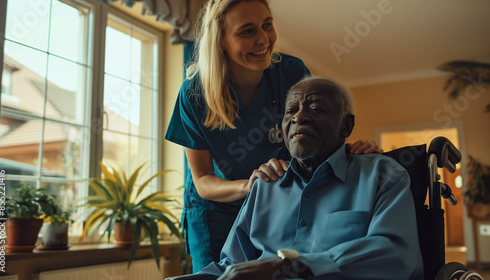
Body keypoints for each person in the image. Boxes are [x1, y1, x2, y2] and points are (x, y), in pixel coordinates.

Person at [164, 0, 382, 272]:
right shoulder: (194, 94)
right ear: (220, 40)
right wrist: (250, 184)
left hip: (274, 199)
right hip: (215, 210)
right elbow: (204, 182)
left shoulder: (291, 73)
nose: (263, 39)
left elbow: (315, 138)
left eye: (267, 25)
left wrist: (352, 150)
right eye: (247, 31)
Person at [193, 77, 424, 280]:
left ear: (346, 126)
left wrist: (293, 267)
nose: (299, 117)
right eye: (291, 110)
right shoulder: (266, 186)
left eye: (316, 108)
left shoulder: (382, 175)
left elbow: (396, 255)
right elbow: (232, 265)